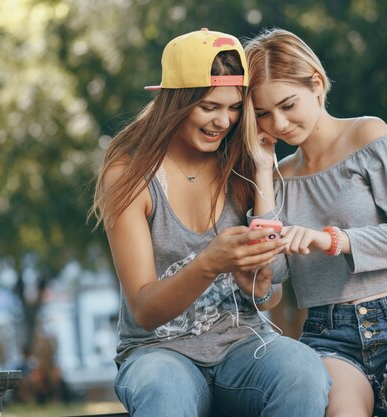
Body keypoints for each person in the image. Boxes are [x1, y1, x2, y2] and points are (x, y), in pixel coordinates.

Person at [89, 28, 330, 417]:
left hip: (243, 344)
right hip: (159, 353)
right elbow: (145, 310)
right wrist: (209, 264)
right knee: (162, 391)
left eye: (234, 107)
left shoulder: (240, 164)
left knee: (302, 369)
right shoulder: (130, 174)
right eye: (208, 106)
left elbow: (271, 297)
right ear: (175, 102)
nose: (223, 120)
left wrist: (262, 286)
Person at [243, 28, 387, 417]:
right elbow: (273, 274)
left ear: (316, 83)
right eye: (262, 113)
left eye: (287, 104)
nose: (277, 123)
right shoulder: (278, 178)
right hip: (329, 336)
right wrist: (263, 174)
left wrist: (332, 240)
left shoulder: (368, 134)